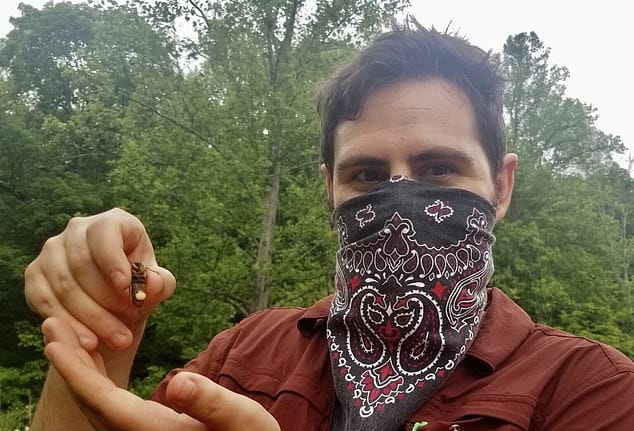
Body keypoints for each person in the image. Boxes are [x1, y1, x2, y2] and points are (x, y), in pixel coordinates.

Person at [24, 20, 633, 431]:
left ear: (501, 187)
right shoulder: (245, 354)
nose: (399, 201)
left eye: (439, 169)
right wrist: (97, 328)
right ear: (330, 188)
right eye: (367, 175)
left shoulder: (590, 391)